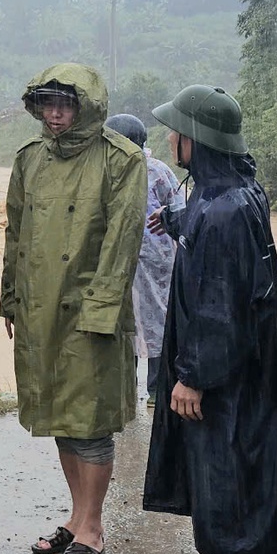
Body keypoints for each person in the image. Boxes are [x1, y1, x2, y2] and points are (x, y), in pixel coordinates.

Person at [142, 85, 277, 554]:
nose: (171, 139)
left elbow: (220, 304)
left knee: (240, 461)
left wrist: (192, 374)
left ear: (196, 140)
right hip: (240, 362)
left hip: (231, 368)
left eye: (178, 131)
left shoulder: (222, 211)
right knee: (216, 459)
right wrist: (175, 221)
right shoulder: (226, 193)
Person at [1, 65, 146, 554]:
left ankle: (93, 528)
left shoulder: (121, 160)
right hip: (40, 307)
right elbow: (16, 233)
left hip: (89, 311)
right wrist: (11, 300)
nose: (56, 114)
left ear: (87, 106)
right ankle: (77, 516)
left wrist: (102, 310)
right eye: (48, 104)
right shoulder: (29, 159)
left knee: (90, 421)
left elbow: (123, 240)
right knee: (61, 416)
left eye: (66, 104)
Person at [106, 113, 182, 402]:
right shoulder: (106, 171)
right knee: (124, 322)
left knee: (155, 321)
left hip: (155, 262)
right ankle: (125, 391)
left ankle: (155, 389)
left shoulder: (157, 171)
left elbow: (177, 207)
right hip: (120, 261)